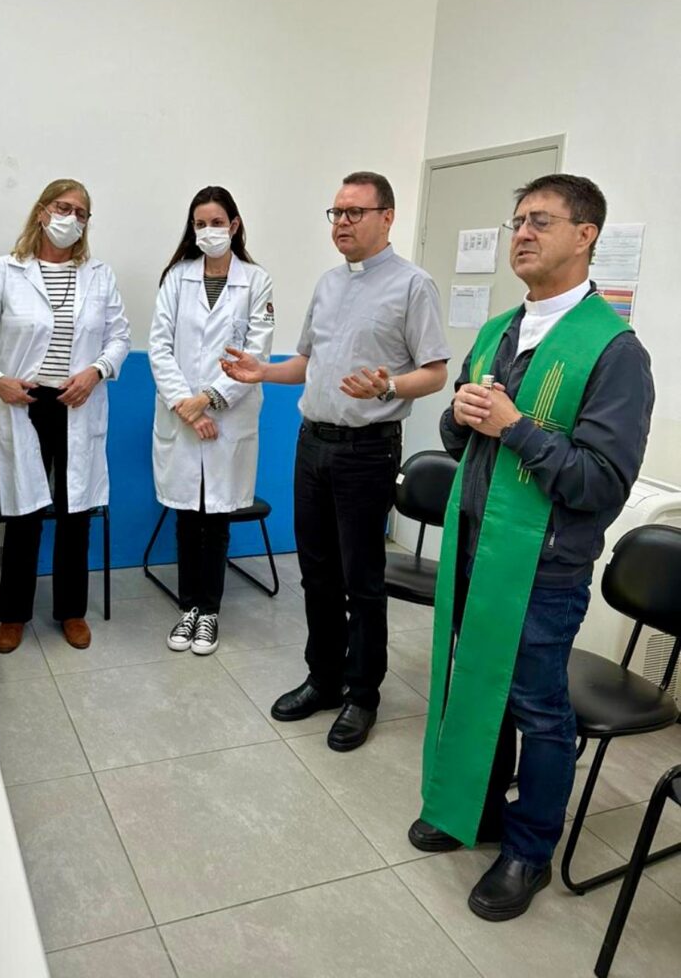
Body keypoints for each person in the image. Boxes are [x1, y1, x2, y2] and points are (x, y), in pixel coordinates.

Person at [409, 174, 655, 921]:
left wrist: (515, 428)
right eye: (516, 219)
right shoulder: (498, 331)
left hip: (542, 567)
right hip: (476, 548)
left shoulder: (615, 353)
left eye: (539, 221)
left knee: (536, 709)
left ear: (585, 236)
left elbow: (600, 483)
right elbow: (460, 441)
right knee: (472, 683)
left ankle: (528, 850)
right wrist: (457, 417)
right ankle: (471, 812)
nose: (520, 232)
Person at [222, 171, 449, 750]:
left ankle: (361, 694)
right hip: (313, 443)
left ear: (387, 217)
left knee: (361, 580)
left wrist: (388, 386)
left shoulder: (412, 285)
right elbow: (308, 361)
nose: (341, 223)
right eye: (336, 213)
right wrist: (262, 372)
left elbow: (436, 371)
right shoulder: (327, 284)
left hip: (366, 451)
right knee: (316, 571)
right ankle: (322, 677)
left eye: (354, 212)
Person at [0, 178, 130, 654]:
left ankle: (71, 612)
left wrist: (96, 372)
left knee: (76, 512)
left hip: (78, 403)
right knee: (24, 511)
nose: (70, 218)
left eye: (81, 212)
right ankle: (13, 615)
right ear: (41, 212)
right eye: (62, 207)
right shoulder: (5, 272)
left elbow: (119, 338)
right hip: (25, 403)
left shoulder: (99, 275)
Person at [148, 186, 274, 656]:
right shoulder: (176, 278)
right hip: (184, 417)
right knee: (186, 517)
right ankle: (187, 610)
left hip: (228, 417)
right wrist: (187, 405)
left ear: (235, 225)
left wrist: (209, 400)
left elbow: (255, 355)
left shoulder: (256, 281)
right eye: (200, 224)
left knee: (217, 519)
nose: (208, 232)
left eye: (217, 223)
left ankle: (210, 613)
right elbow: (159, 346)